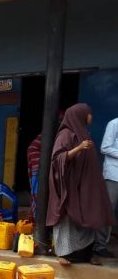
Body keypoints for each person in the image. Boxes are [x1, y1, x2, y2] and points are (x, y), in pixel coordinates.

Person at [46, 104, 115, 265]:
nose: (91, 117)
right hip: (70, 185)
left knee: (88, 214)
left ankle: (86, 255)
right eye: (89, 114)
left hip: (84, 185)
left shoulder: (84, 133)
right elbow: (58, 159)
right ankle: (63, 254)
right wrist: (79, 148)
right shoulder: (65, 134)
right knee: (68, 219)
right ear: (81, 115)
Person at [94, 116, 118, 257]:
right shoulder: (114, 124)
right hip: (114, 174)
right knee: (108, 209)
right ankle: (99, 245)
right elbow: (104, 147)